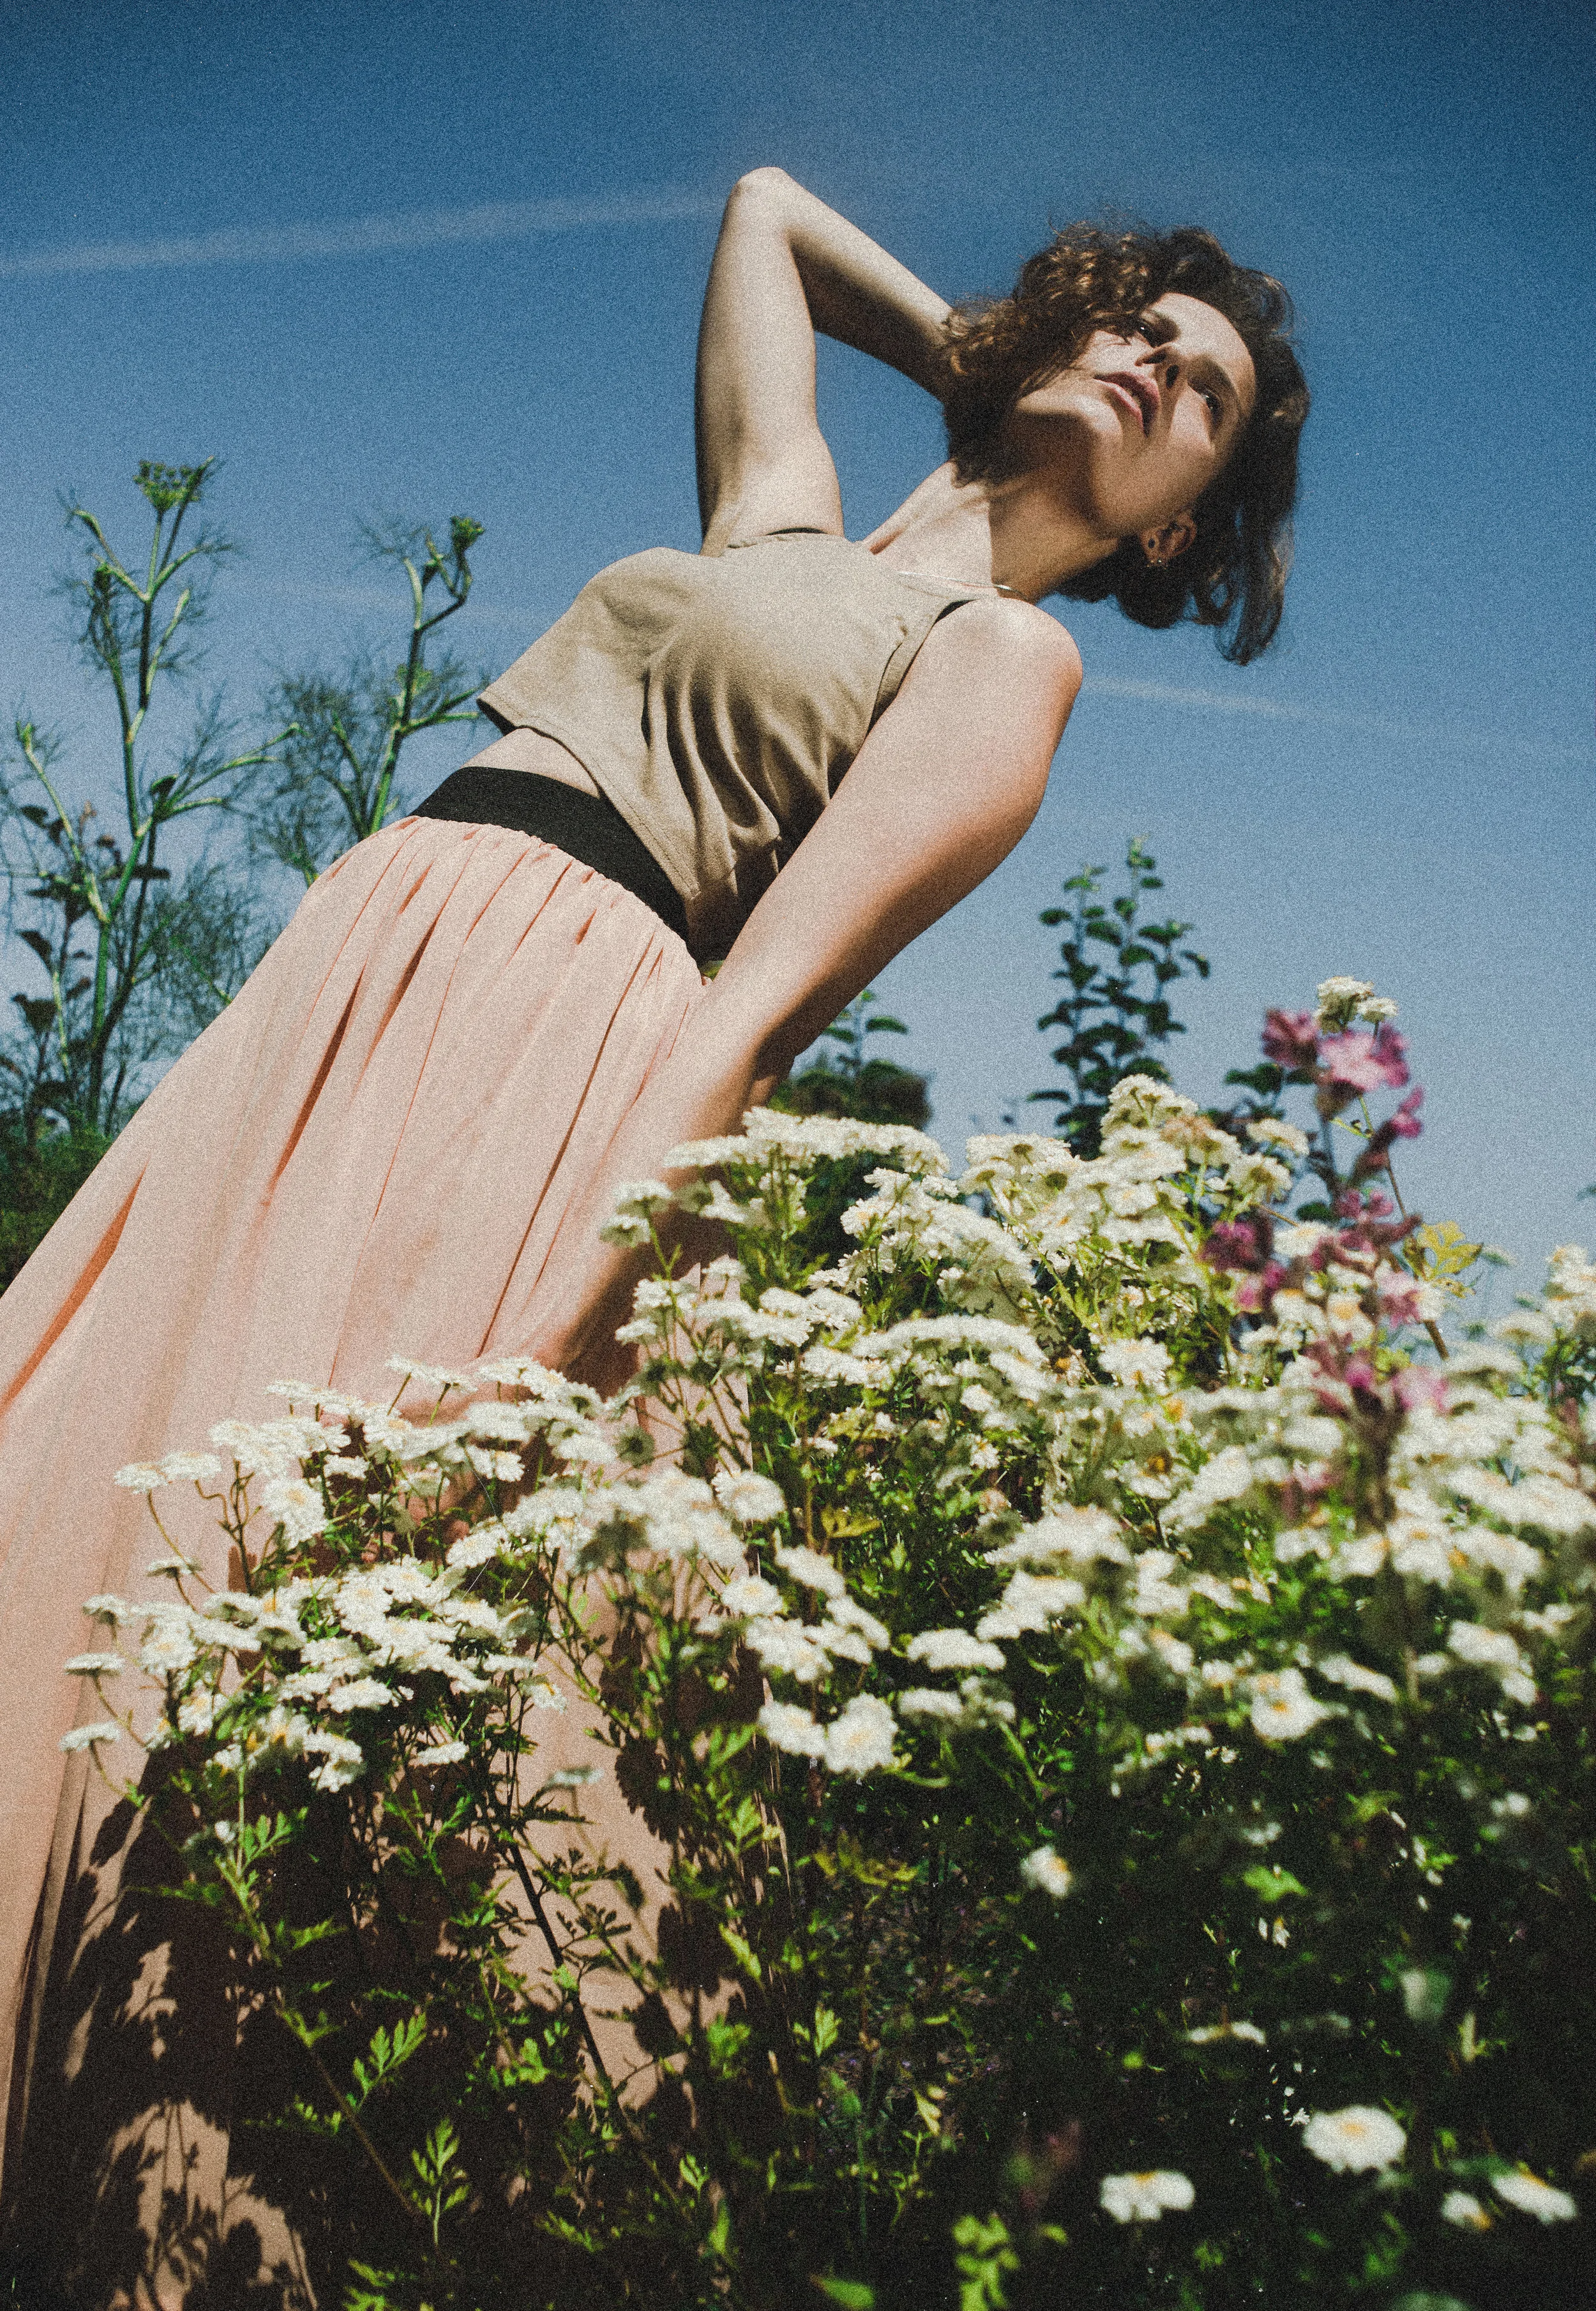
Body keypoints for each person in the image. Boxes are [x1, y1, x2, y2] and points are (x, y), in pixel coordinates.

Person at [0, 169, 1307, 2303]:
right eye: (1135, 321)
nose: (1154, 353)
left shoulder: (1009, 650)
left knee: (290, 1647)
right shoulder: (781, 525)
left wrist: (533, 1357)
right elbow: (769, 213)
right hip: (369, 968)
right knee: (77, 1502)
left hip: (553, 1058)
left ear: (1183, 525)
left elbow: (755, 1003)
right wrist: (992, 344)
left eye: (1202, 390)